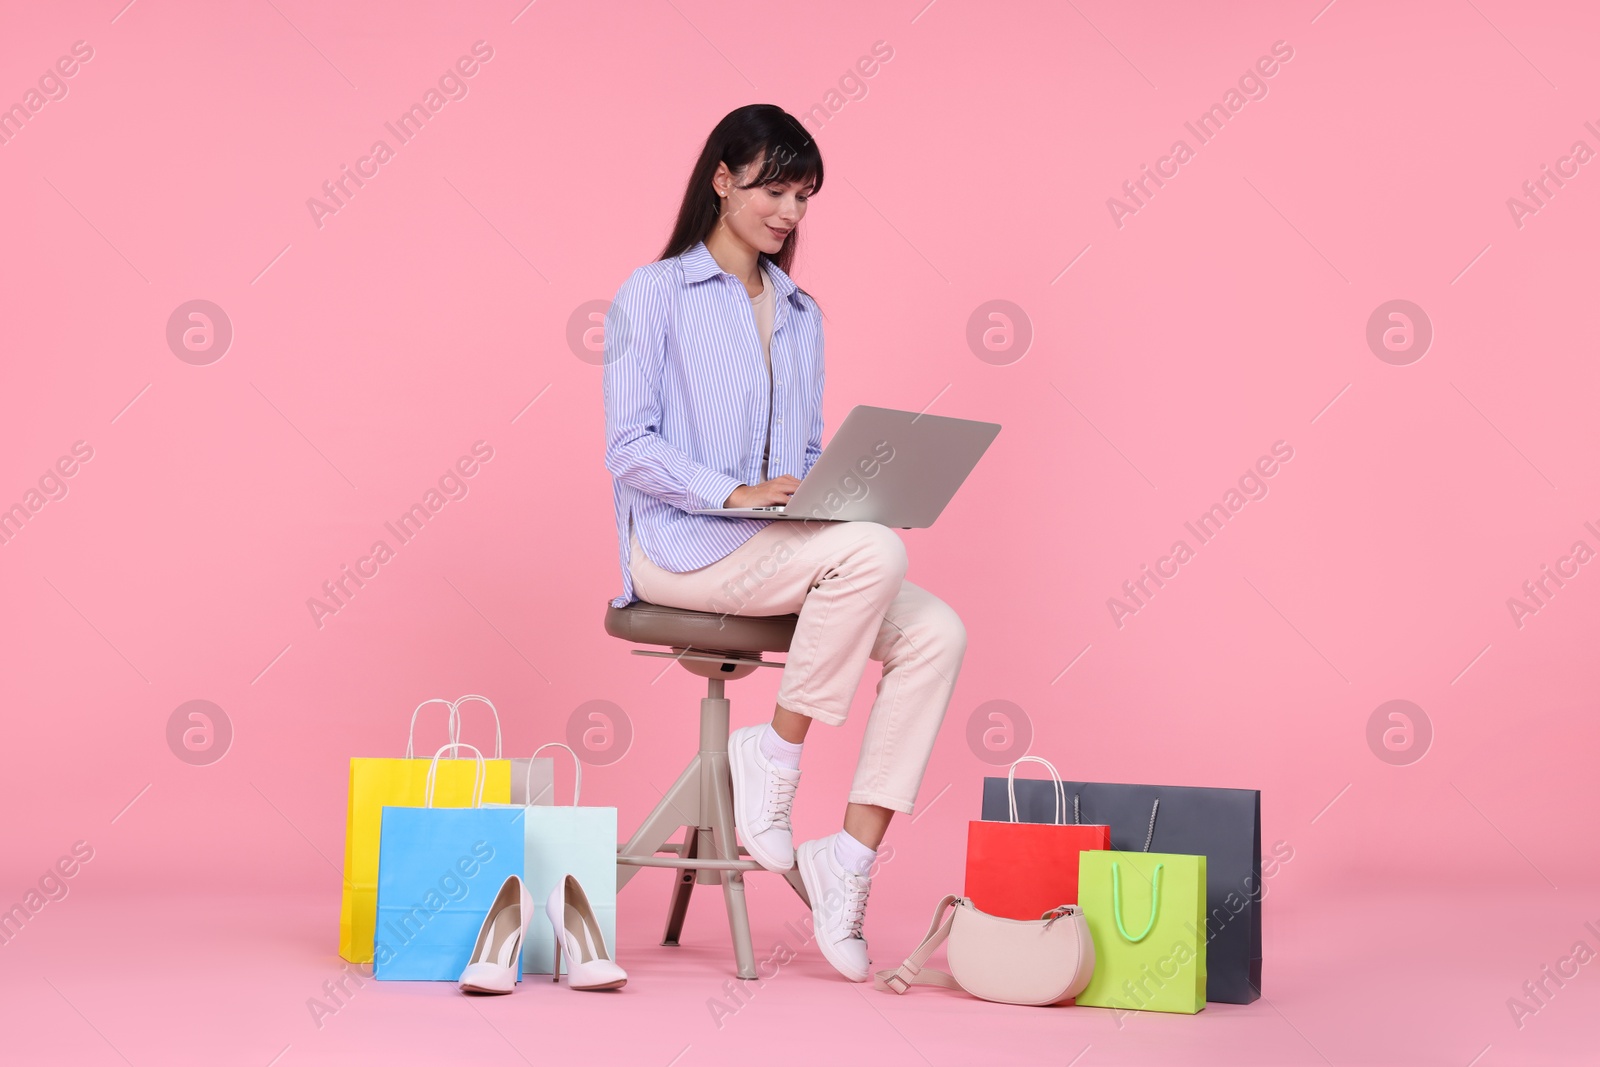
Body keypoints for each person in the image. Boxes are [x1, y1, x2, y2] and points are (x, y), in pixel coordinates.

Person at [601, 104, 967, 982]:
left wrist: (836, 491)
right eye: (773, 188)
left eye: (803, 194)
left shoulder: (802, 313)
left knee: (935, 630)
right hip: (681, 545)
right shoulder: (651, 295)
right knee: (874, 555)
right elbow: (629, 445)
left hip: (783, 549)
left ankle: (846, 859)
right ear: (721, 180)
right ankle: (776, 752)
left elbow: (801, 454)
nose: (790, 212)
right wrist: (731, 491)